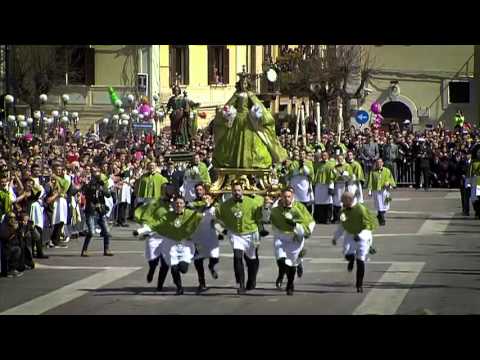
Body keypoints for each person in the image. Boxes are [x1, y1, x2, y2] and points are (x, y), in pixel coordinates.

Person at [212, 70, 287, 169]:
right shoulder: (236, 95)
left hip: (248, 121)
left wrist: (257, 113)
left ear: (247, 84)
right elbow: (228, 106)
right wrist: (227, 112)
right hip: (237, 120)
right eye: (242, 83)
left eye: (245, 83)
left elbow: (258, 106)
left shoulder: (251, 95)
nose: (243, 85)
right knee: (232, 142)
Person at [215, 181, 263, 294]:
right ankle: (241, 284)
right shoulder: (225, 205)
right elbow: (216, 220)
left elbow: (259, 219)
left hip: (252, 233)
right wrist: (221, 231)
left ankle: (252, 279)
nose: (237, 192)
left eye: (239, 190)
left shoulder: (252, 203)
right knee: (237, 257)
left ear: (243, 190)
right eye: (234, 190)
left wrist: (265, 208)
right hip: (235, 234)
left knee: (252, 258)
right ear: (231, 191)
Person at [149, 196, 204, 295]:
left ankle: (200, 282)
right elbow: (156, 225)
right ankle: (178, 287)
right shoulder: (167, 215)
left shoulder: (191, 214)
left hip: (185, 245)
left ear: (184, 205)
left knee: (183, 268)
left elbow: (201, 219)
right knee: (169, 266)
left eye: (181, 203)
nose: (178, 205)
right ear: (173, 205)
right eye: (176, 203)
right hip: (170, 243)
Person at [270, 187, 315, 295]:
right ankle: (281, 275)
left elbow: (310, 224)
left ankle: (290, 284)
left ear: (293, 196)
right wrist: (265, 208)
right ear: (281, 196)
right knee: (281, 260)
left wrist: (295, 225)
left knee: (291, 264)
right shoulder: (275, 208)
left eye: (289, 197)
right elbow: (267, 217)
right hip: (280, 237)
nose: (286, 199)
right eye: (284, 197)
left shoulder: (299, 208)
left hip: (295, 238)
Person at [331, 192, 378, 293]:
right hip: (350, 235)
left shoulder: (361, 209)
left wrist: (360, 235)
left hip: (363, 236)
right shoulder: (343, 211)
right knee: (347, 253)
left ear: (349, 201)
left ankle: (359, 284)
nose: (342, 204)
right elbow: (341, 226)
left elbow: (369, 225)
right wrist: (335, 237)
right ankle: (351, 259)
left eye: (343, 202)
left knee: (361, 260)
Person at [188, 183, 219, 294]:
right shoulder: (192, 204)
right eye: (197, 190)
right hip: (197, 236)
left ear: (204, 191)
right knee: (198, 261)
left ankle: (211, 266)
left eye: (200, 190)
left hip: (210, 236)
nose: (198, 191)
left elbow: (217, 218)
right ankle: (202, 283)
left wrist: (210, 204)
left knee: (215, 258)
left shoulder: (212, 204)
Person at [80, 166, 114, 257]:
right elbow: (86, 193)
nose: (97, 174)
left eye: (98, 172)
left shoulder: (102, 184)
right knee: (91, 232)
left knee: (106, 231)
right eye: (94, 172)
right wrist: (91, 185)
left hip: (101, 210)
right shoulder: (89, 183)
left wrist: (103, 187)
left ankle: (106, 249)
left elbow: (108, 195)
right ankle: (84, 250)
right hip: (91, 210)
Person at [367, 158, 396, 226]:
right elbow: (370, 181)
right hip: (376, 190)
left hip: (385, 190)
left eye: (380, 162)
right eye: (377, 163)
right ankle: (382, 219)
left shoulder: (387, 170)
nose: (379, 164)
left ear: (382, 163)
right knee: (379, 205)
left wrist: (390, 183)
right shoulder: (373, 172)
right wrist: (369, 190)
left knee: (386, 204)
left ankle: (380, 215)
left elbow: (390, 178)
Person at [287, 148, 314, 214]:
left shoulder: (309, 163)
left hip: (305, 185)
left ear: (305, 155)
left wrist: (304, 166)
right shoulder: (294, 163)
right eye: (300, 154)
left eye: (303, 154)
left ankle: (308, 216)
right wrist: (298, 170)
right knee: (296, 202)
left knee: (306, 202)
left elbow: (311, 173)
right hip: (296, 185)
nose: (302, 155)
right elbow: (291, 173)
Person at [313, 151, 335, 224]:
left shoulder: (330, 165)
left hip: (326, 185)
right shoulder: (317, 164)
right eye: (322, 155)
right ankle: (319, 218)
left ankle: (328, 218)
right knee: (318, 202)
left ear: (328, 156)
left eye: (325, 155)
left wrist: (331, 187)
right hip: (318, 185)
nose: (323, 157)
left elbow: (333, 176)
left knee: (328, 202)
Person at [331, 154, 354, 223]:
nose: (340, 160)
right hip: (337, 185)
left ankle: (346, 218)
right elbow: (332, 177)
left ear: (344, 159)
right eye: (338, 159)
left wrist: (346, 175)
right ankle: (336, 218)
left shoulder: (347, 166)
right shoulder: (335, 167)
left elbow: (351, 176)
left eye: (341, 159)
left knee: (345, 202)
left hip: (345, 185)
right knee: (336, 202)